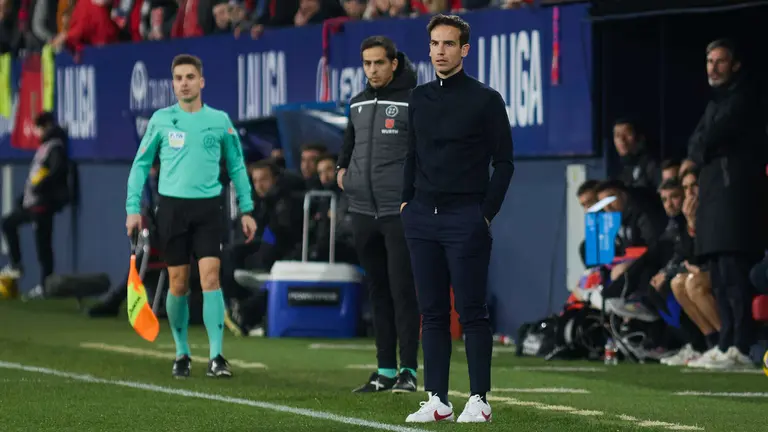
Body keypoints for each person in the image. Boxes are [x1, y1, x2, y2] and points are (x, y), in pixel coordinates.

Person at [399, 14, 514, 423]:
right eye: (434, 44)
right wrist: (404, 203)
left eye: (449, 44)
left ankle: (480, 399)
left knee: (471, 311)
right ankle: (438, 400)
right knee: (431, 312)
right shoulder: (419, 97)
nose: (440, 51)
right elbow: (412, 155)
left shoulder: (486, 99)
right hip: (421, 217)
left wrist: (485, 214)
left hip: (465, 216)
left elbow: (504, 163)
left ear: (464, 49)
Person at [125, 54, 257, 379]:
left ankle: (216, 357)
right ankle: (182, 352)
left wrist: (247, 208)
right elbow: (140, 165)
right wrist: (132, 209)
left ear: (202, 81)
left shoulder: (220, 120)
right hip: (171, 210)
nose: (184, 82)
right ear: (173, 84)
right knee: (178, 284)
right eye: (179, 78)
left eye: (190, 76)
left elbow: (238, 166)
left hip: (209, 209)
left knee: (211, 278)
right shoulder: (161, 120)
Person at [336, 35, 420, 393]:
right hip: (362, 211)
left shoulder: (414, 101)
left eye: (379, 63)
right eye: (367, 63)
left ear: (394, 63)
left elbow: (424, 153)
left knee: (403, 291)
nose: (372, 70)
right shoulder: (356, 103)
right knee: (378, 291)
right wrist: (343, 172)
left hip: (397, 211)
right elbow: (348, 146)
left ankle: (409, 372)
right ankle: (385, 370)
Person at [679, 39, 767, 369]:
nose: (713, 68)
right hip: (715, 202)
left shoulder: (744, 97)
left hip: (735, 201)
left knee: (734, 278)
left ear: (736, 65)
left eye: (720, 61)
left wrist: (697, 154)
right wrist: (697, 154)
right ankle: (726, 341)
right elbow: (696, 141)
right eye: (709, 61)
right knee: (718, 277)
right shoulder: (717, 101)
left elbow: (711, 137)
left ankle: (741, 346)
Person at [1, 112, 70, 294]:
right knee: (8, 223)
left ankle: (46, 285)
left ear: (46, 126)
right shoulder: (45, 147)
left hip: (43, 203)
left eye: (39, 128)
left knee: (43, 245)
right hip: (32, 203)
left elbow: (55, 171)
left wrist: (41, 186)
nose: (37, 132)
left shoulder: (55, 147)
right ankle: (16, 264)